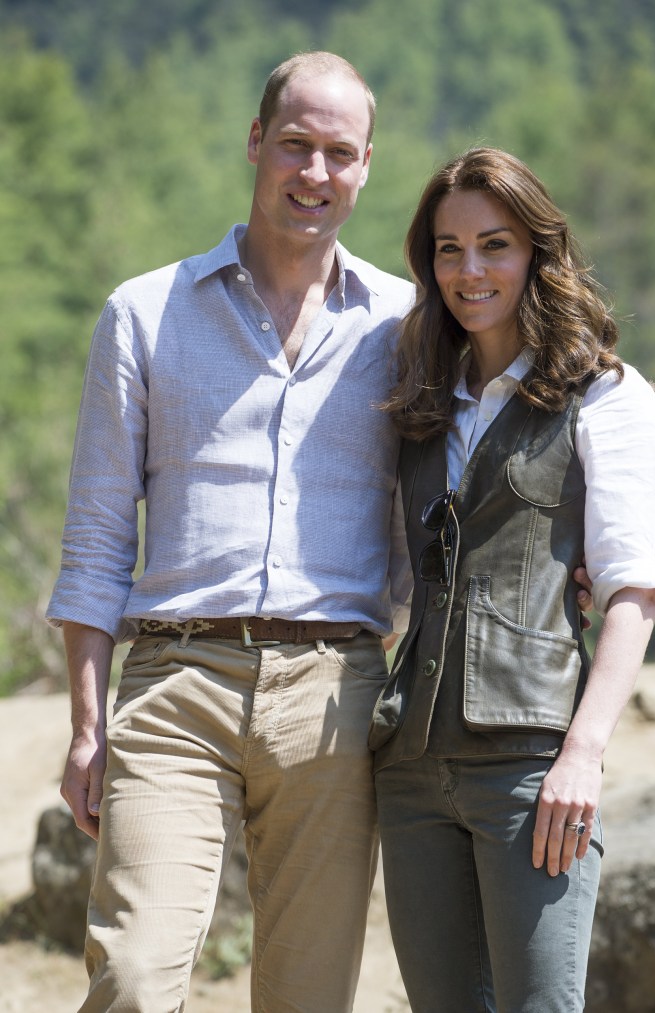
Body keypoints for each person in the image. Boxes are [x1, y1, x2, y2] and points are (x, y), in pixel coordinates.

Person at [46, 51, 417, 1013]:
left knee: (307, 998)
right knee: (131, 978)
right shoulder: (144, 312)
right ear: (257, 142)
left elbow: (460, 492)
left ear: (367, 164)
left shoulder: (406, 324)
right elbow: (94, 538)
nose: (315, 173)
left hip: (335, 694)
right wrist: (89, 729)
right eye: (296, 144)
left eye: (339, 152)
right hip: (175, 683)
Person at [369, 147, 655, 1013]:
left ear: (539, 252)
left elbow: (633, 589)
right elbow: (395, 578)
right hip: (412, 766)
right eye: (447, 248)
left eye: (494, 244)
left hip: (532, 767)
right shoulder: (421, 403)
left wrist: (583, 752)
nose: (470, 270)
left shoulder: (607, 396)